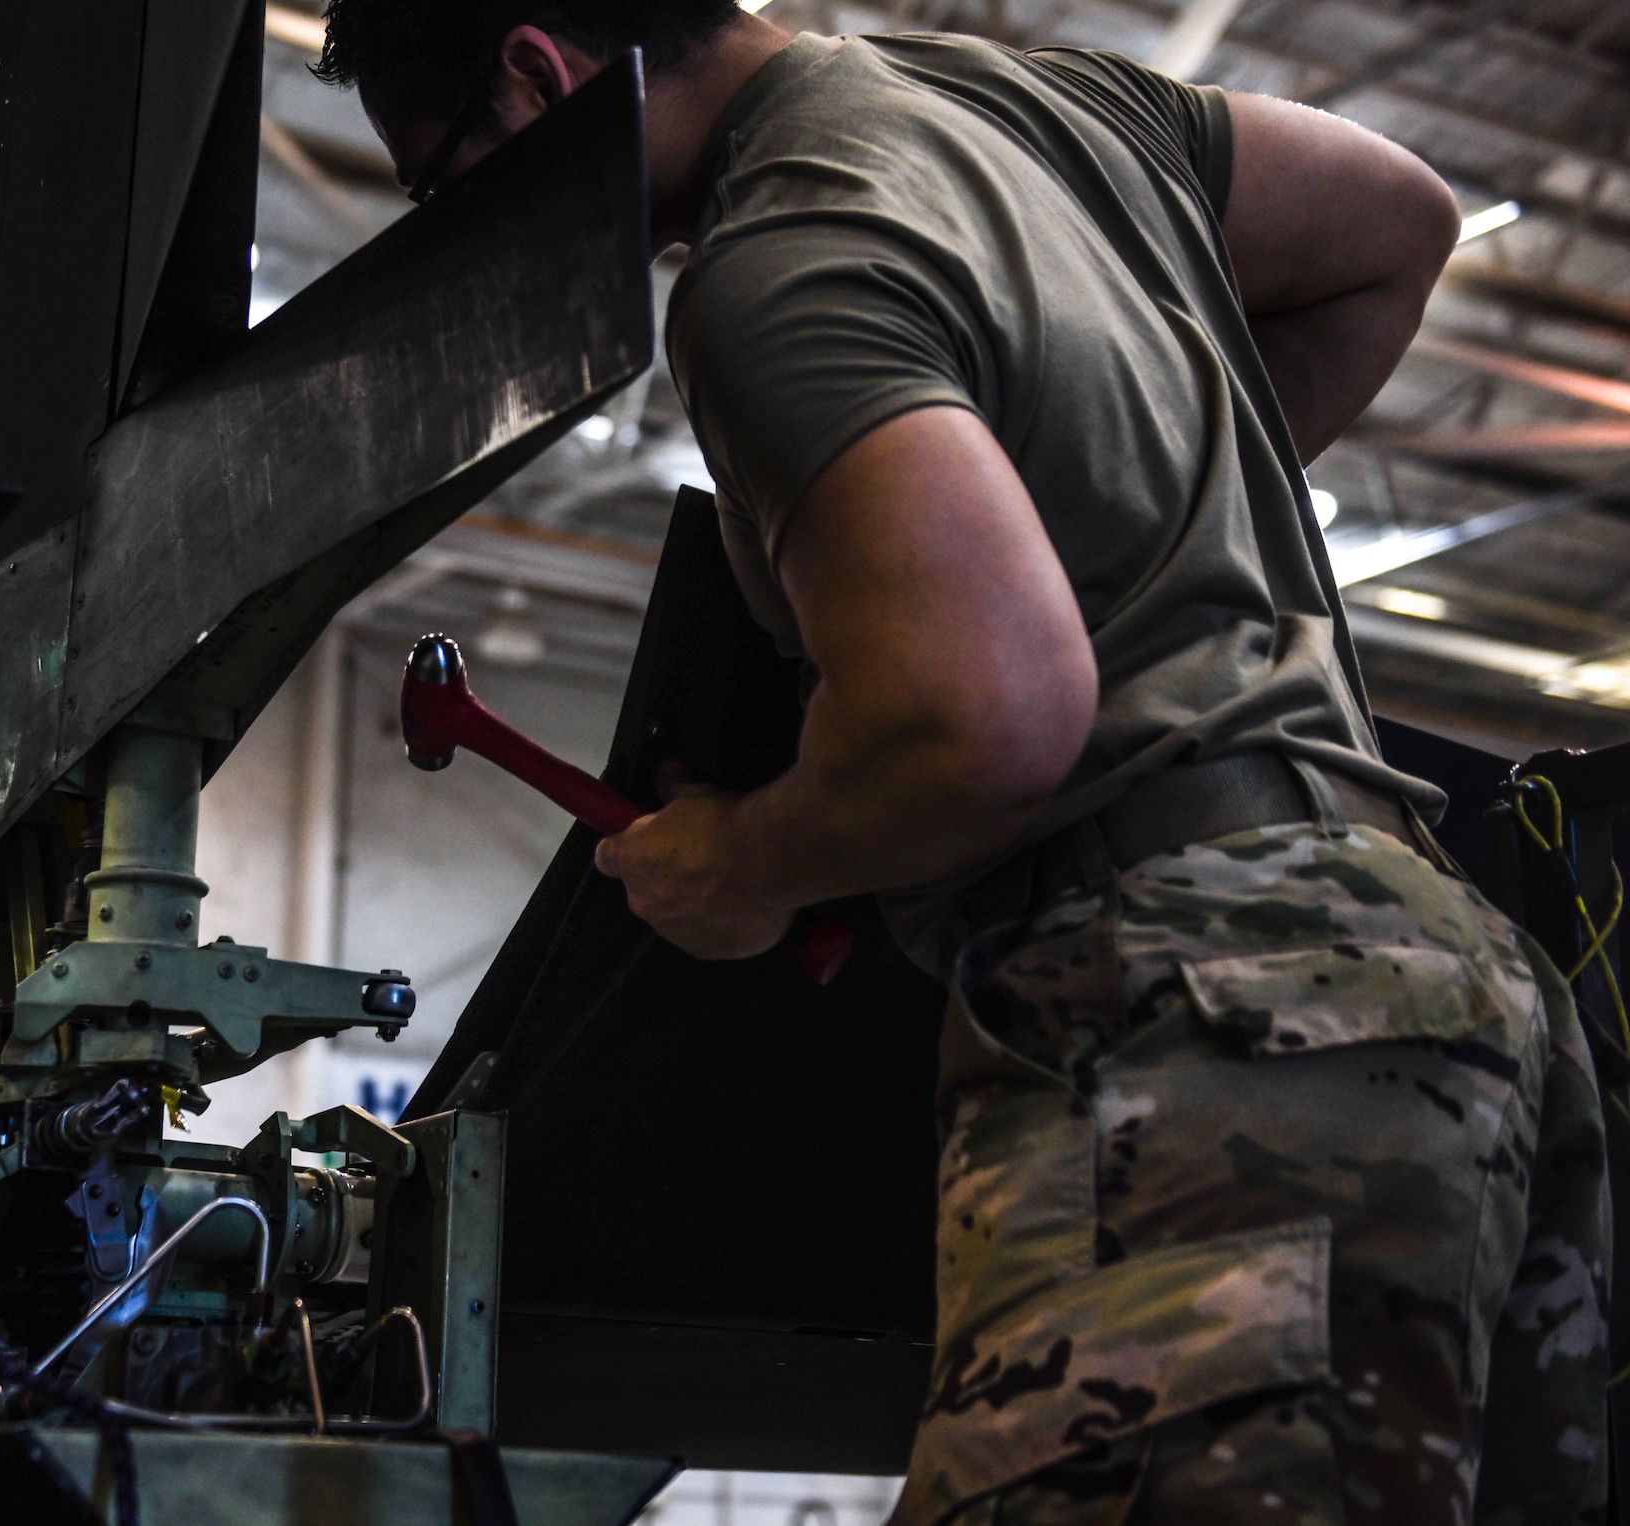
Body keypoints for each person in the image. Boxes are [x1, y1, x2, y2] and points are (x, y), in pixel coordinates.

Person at [315, 3, 1613, 1519]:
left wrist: (744, 859)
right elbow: (1400, 222)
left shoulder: (771, 260)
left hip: (1204, 1022)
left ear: (540, 76)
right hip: (1446, 973)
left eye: (452, 185)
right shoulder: (1036, 107)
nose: (470, 242)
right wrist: (1127, 532)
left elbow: (986, 710)